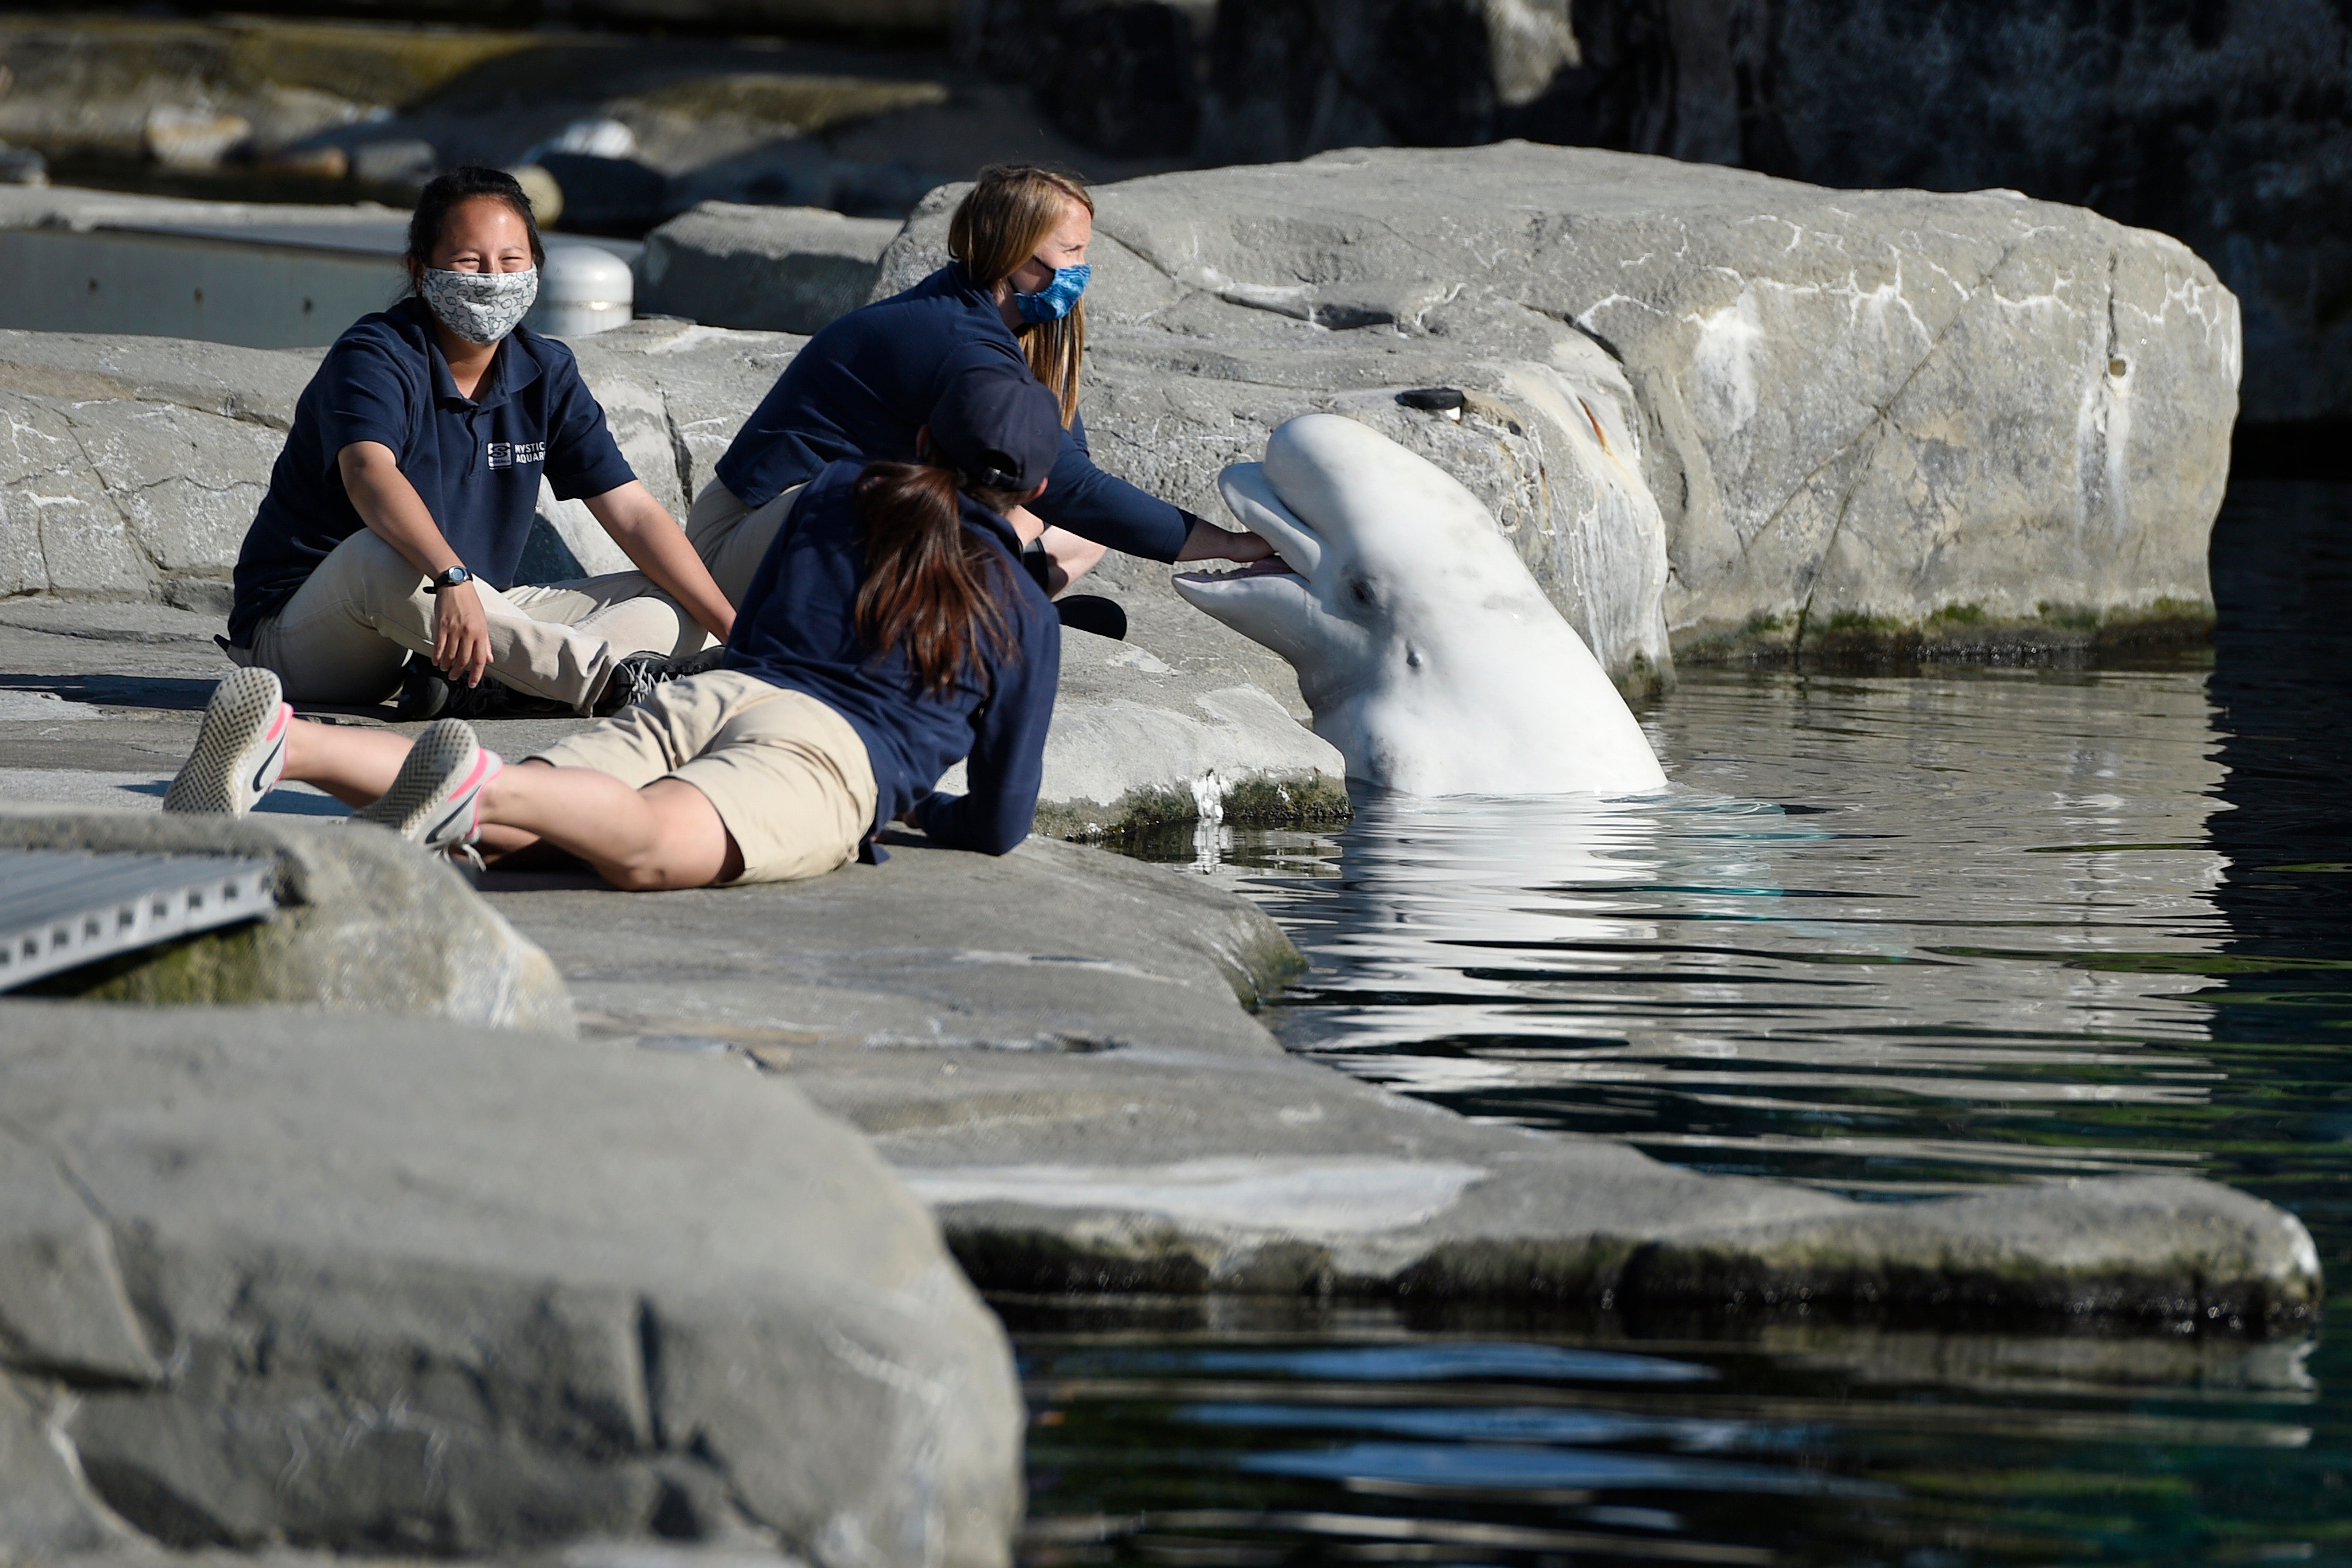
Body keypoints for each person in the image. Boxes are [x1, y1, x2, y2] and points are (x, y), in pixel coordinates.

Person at [162, 360, 1067, 890]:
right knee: (646, 845)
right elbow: (998, 821)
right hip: (829, 757)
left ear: (922, 443)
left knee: (541, 820)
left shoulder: (838, 490)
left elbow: (759, 618)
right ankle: (472, 789)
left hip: (723, 690)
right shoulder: (1025, 608)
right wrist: (913, 803)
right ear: (1034, 489)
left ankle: (287, 744)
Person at [221, 166, 735, 720]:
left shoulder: (546, 371)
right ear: (420, 270)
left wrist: (739, 633)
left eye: (511, 261)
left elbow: (632, 512)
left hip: (456, 621)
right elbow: (369, 473)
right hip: (317, 633)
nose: (493, 278)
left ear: (535, 267)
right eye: (470, 262)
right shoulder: (376, 355)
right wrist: (452, 574)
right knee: (382, 552)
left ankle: (506, 682)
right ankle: (604, 683)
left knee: (674, 599)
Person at [683, 162, 1270, 640]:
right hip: (743, 540)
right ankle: (974, 617)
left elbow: (1058, 467)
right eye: (1070, 252)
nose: (1082, 270)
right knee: (922, 505)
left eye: (1085, 252)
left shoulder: (1014, 326)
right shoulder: (953, 340)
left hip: (829, 546)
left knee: (1084, 533)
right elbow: (1070, 487)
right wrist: (1233, 546)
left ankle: (968, 608)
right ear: (1015, 252)